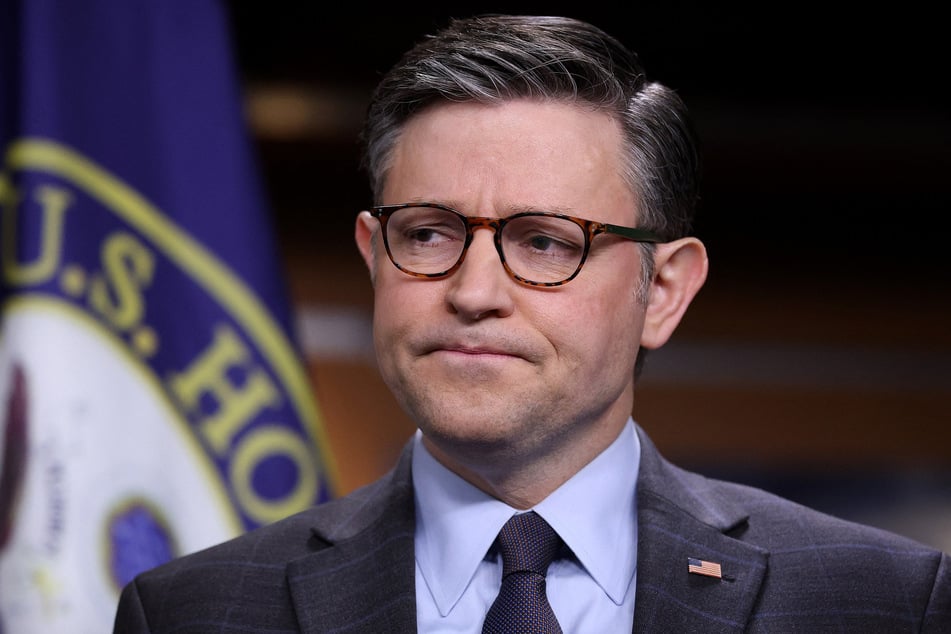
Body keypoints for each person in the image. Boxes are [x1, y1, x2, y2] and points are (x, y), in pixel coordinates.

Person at [113, 14, 950, 632]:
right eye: (429, 233)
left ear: (662, 291)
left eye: (545, 242)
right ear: (374, 257)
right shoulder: (193, 613)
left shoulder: (881, 603)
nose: (474, 291)